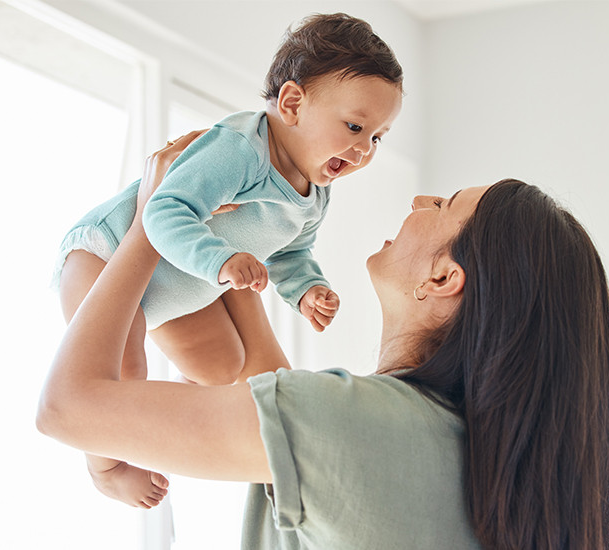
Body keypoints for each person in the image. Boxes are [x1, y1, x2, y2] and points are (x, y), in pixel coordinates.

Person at [38, 135, 609, 549]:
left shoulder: (353, 421)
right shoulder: (465, 451)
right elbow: (267, 386)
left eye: (445, 205)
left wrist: (150, 217)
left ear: (444, 279)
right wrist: (232, 239)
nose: (423, 200)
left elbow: (68, 409)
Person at [51, 13, 403, 507]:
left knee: (222, 366)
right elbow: (165, 209)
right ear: (293, 103)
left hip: (177, 283)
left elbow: (292, 251)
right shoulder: (240, 150)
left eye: (377, 137)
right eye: (355, 127)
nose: (364, 149)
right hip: (105, 256)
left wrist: (305, 289)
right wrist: (221, 262)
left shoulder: (315, 194)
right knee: (123, 378)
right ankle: (104, 467)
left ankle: (164, 419)